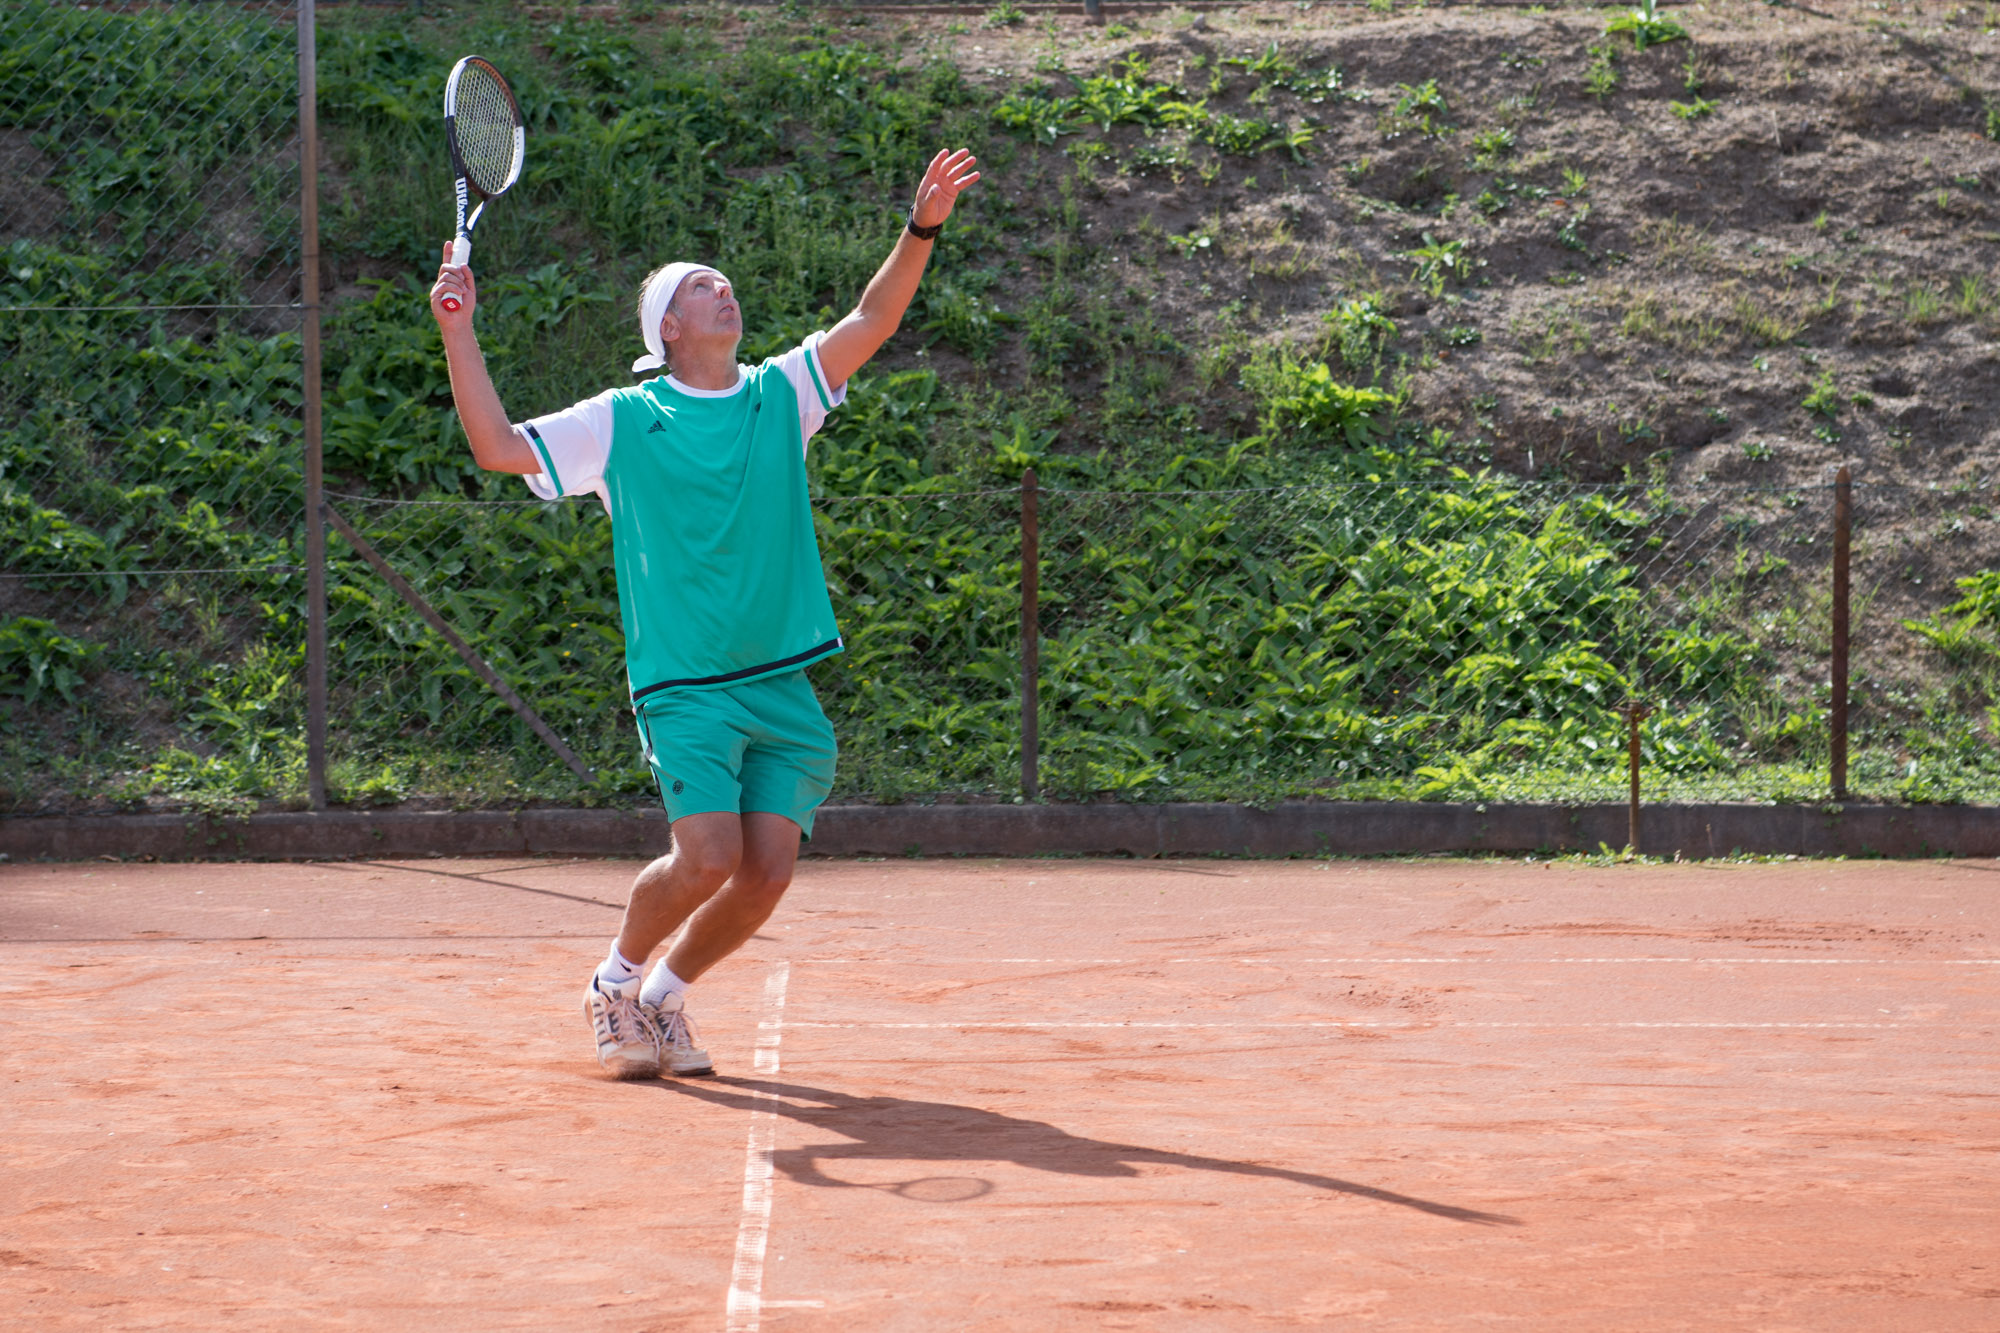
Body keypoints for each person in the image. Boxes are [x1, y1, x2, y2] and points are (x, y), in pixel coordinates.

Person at [429, 148, 981, 1078]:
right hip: (685, 684)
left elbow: (873, 316)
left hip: (779, 676)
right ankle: (613, 982)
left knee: (765, 872)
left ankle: (665, 997)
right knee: (708, 854)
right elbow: (495, 446)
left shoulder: (781, 393)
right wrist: (458, 330)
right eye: (701, 287)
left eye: (724, 282)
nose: (723, 290)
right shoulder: (624, 418)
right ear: (669, 328)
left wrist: (920, 227)